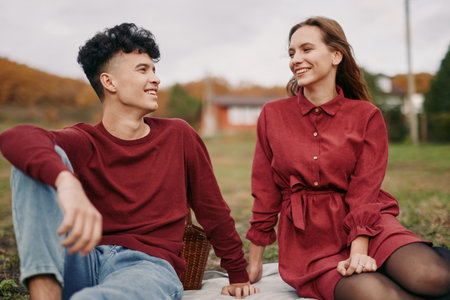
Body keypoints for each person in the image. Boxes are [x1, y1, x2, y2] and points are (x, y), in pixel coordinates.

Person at [0, 23, 258, 300]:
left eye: (154, 70)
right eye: (143, 70)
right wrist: (65, 181)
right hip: (81, 257)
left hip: (147, 266)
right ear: (109, 82)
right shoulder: (83, 139)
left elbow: (212, 209)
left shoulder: (179, 135)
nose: (156, 79)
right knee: (32, 163)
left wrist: (237, 273)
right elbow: (16, 137)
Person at [245, 16, 450, 300]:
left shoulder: (366, 115)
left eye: (306, 49)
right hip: (311, 245)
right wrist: (253, 262)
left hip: (366, 225)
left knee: (433, 277)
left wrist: (358, 251)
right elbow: (266, 191)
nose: (295, 59)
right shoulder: (272, 114)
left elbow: (365, 189)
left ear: (335, 55)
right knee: (374, 295)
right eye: (291, 53)